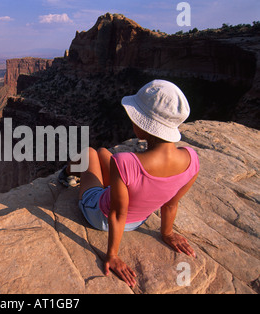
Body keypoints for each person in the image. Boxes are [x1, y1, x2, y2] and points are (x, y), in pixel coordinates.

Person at [58, 80, 200, 287]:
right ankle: (88, 177)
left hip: (100, 215)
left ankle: (67, 175)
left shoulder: (125, 162)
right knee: (103, 153)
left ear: (143, 125)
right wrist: (167, 234)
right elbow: (170, 204)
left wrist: (112, 255)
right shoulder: (192, 160)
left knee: (89, 153)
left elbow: (117, 213)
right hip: (138, 220)